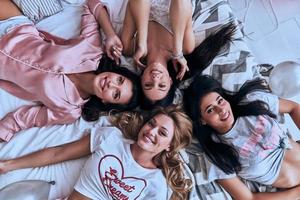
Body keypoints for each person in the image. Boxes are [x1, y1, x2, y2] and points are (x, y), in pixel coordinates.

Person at [0, 0, 141, 142]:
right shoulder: (92, 51)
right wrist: (110, 34)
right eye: (119, 80)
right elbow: (91, 4)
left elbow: (25, 118)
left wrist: (3, 132)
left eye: (116, 94)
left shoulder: (68, 111)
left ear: (106, 102)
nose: (112, 84)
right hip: (13, 27)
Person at [0, 105, 193, 199]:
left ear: (169, 146)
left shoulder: (155, 184)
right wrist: (8, 165)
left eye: (162, 132)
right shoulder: (111, 138)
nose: (151, 131)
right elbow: (58, 153)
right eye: (152, 123)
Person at [184, 74, 300, 200]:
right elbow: (249, 198)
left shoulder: (251, 101)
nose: (221, 110)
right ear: (202, 120)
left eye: (220, 101)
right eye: (210, 110)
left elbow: (294, 108)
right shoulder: (217, 155)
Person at [120, 0, 237, 109]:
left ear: (141, 79)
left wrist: (141, 43)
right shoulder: (185, 47)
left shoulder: (129, 47)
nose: (155, 79)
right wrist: (177, 50)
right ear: (170, 81)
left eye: (148, 84)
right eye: (161, 85)